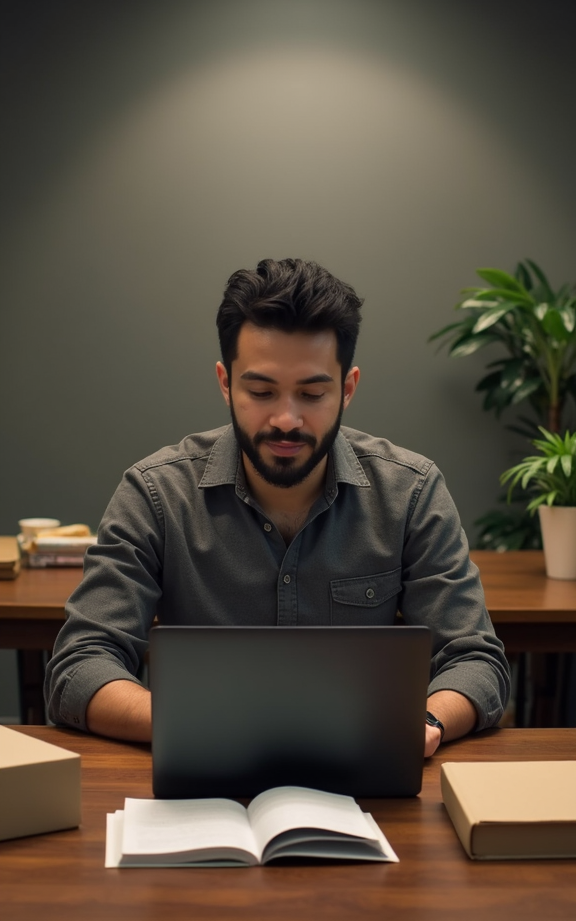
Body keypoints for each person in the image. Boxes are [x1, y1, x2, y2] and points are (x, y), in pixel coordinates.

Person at [45, 258, 510, 755]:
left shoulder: (411, 492)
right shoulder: (155, 493)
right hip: (199, 776)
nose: (286, 419)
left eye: (312, 393)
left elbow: (475, 660)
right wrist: (203, 724)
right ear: (226, 382)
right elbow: (81, 663)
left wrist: (424, 722)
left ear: (347, 389)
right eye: (261, 391)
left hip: (363, 780)